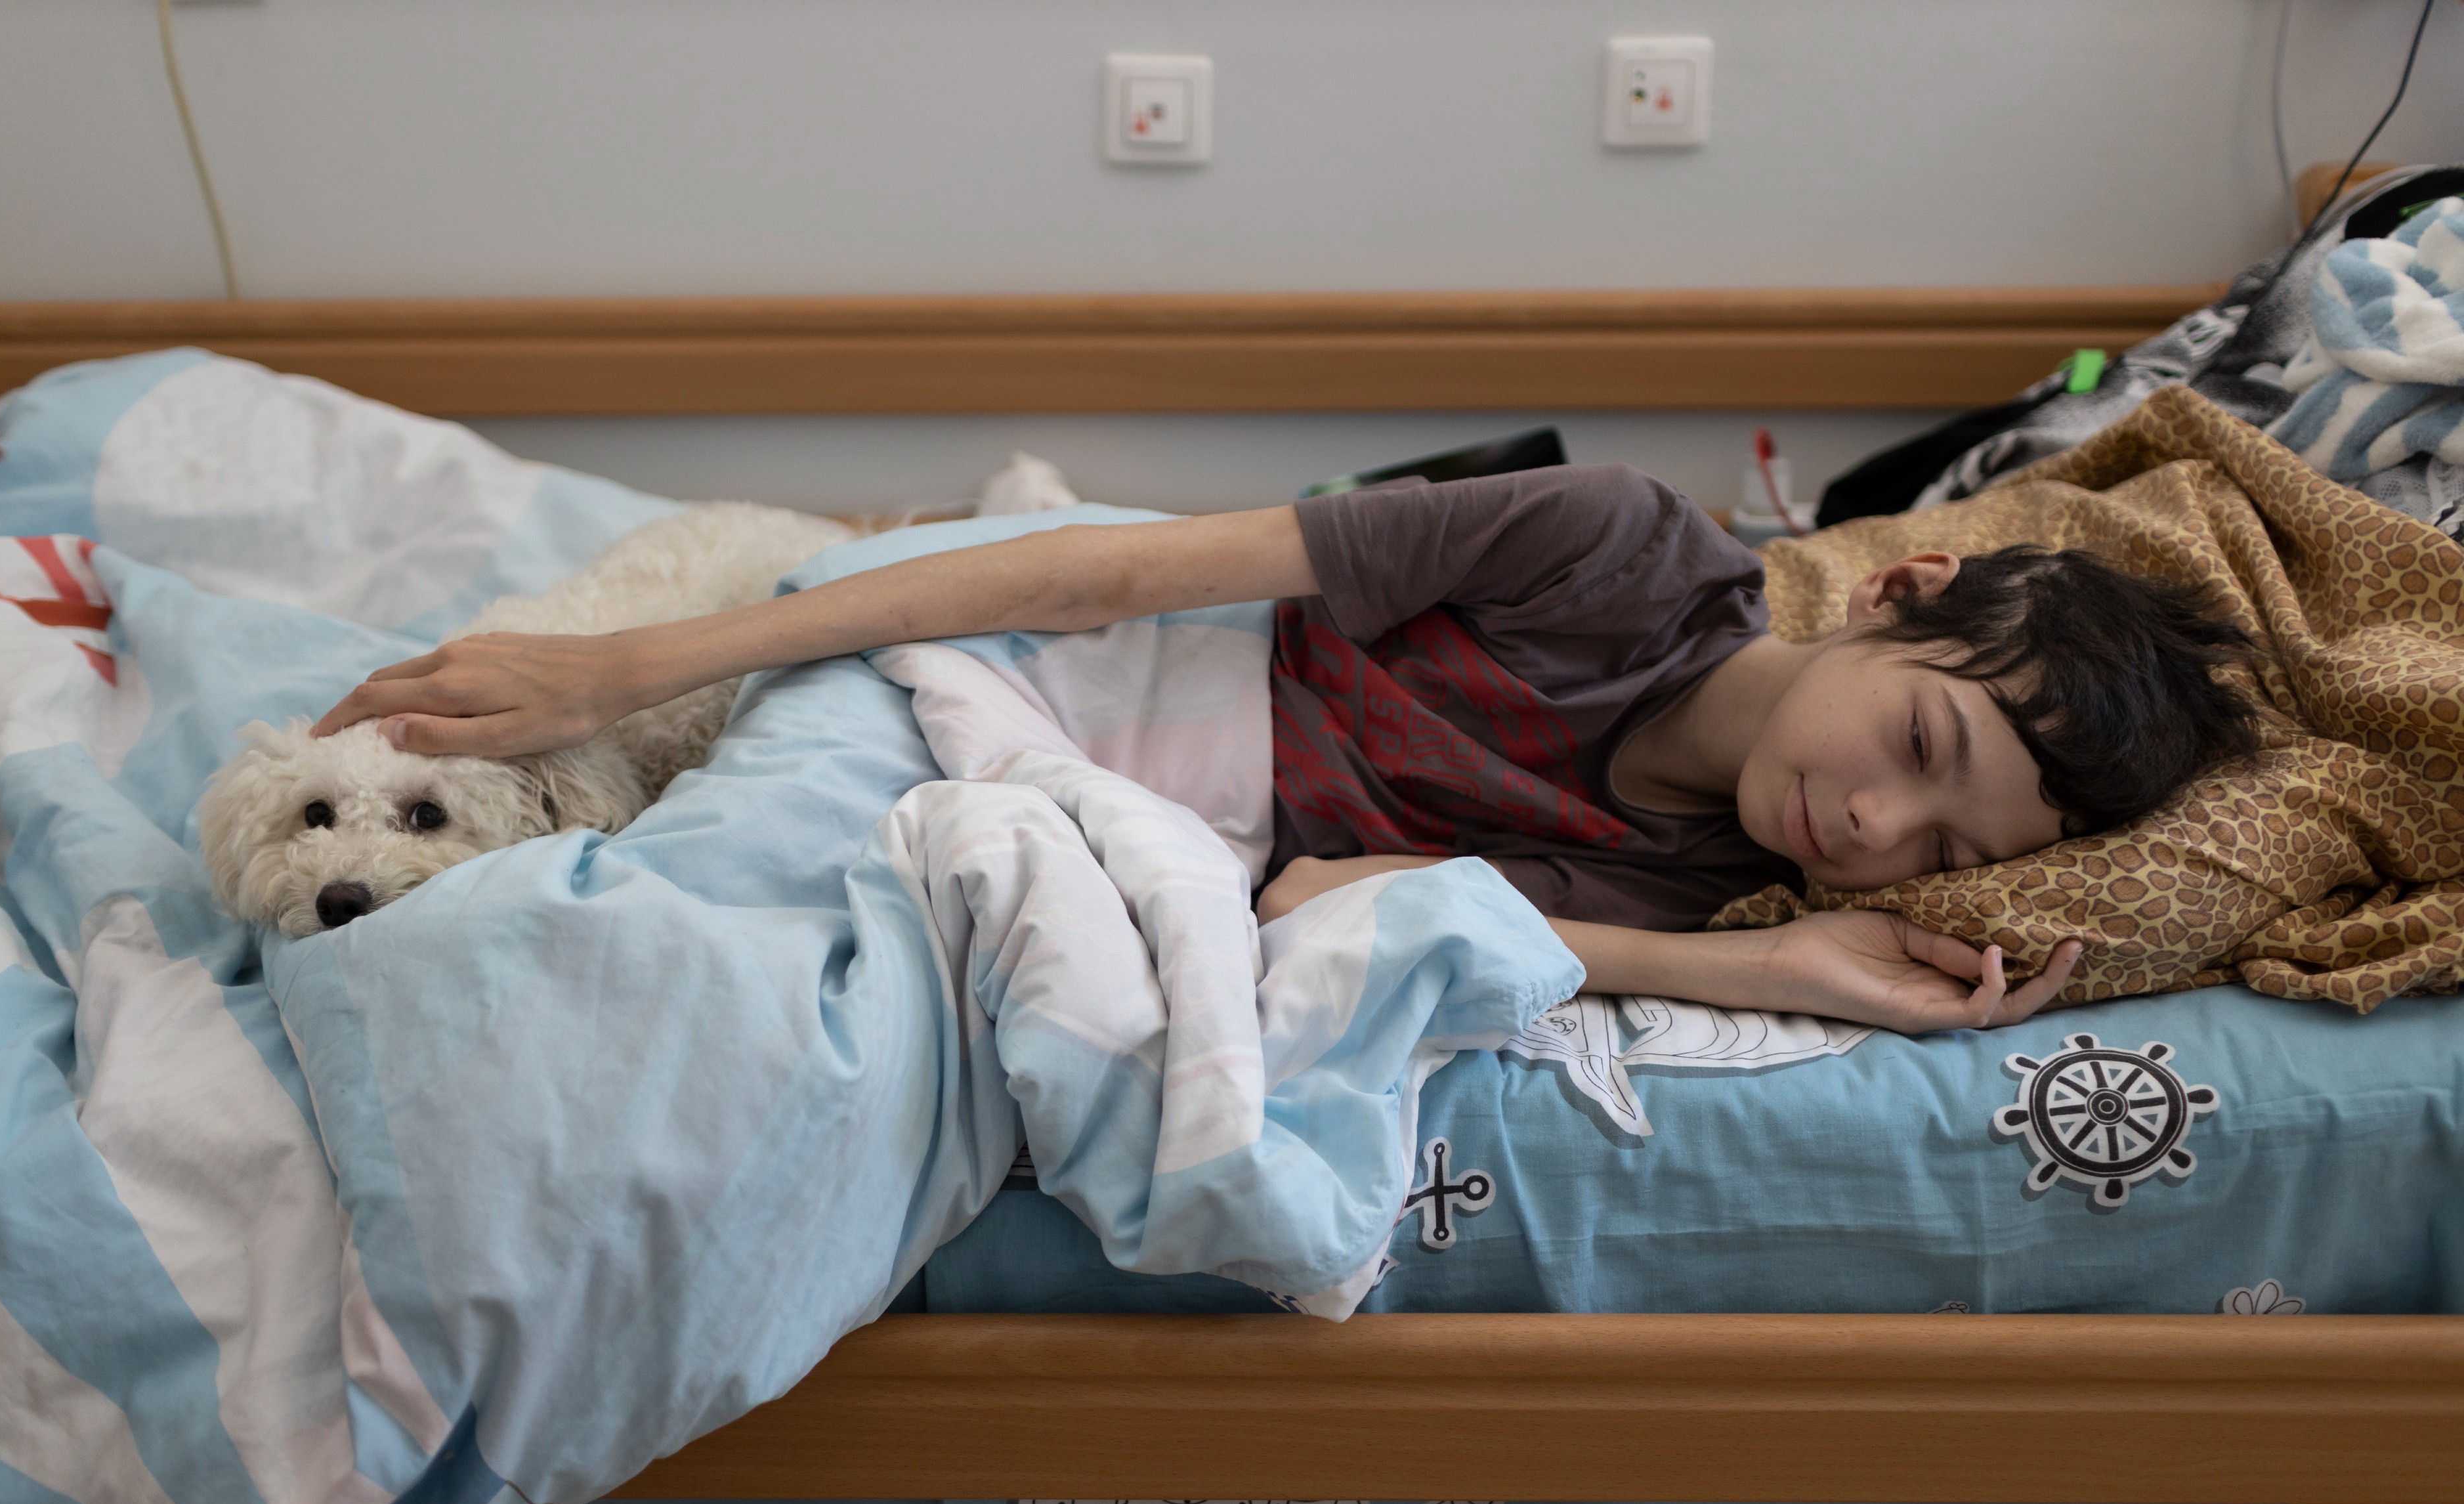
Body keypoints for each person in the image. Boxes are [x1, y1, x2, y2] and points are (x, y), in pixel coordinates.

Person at [311, 465, 2258, 1036]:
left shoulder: (1693, 879)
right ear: (1899, 592)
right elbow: (1096, 567)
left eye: (1936, 852)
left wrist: (1753, 964)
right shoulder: (1616, 547)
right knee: (628, 869)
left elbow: (1332, 902)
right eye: (1916, 740)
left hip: (1082, 809)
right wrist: (617, 664)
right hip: (1008, 642)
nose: (1869, 825)